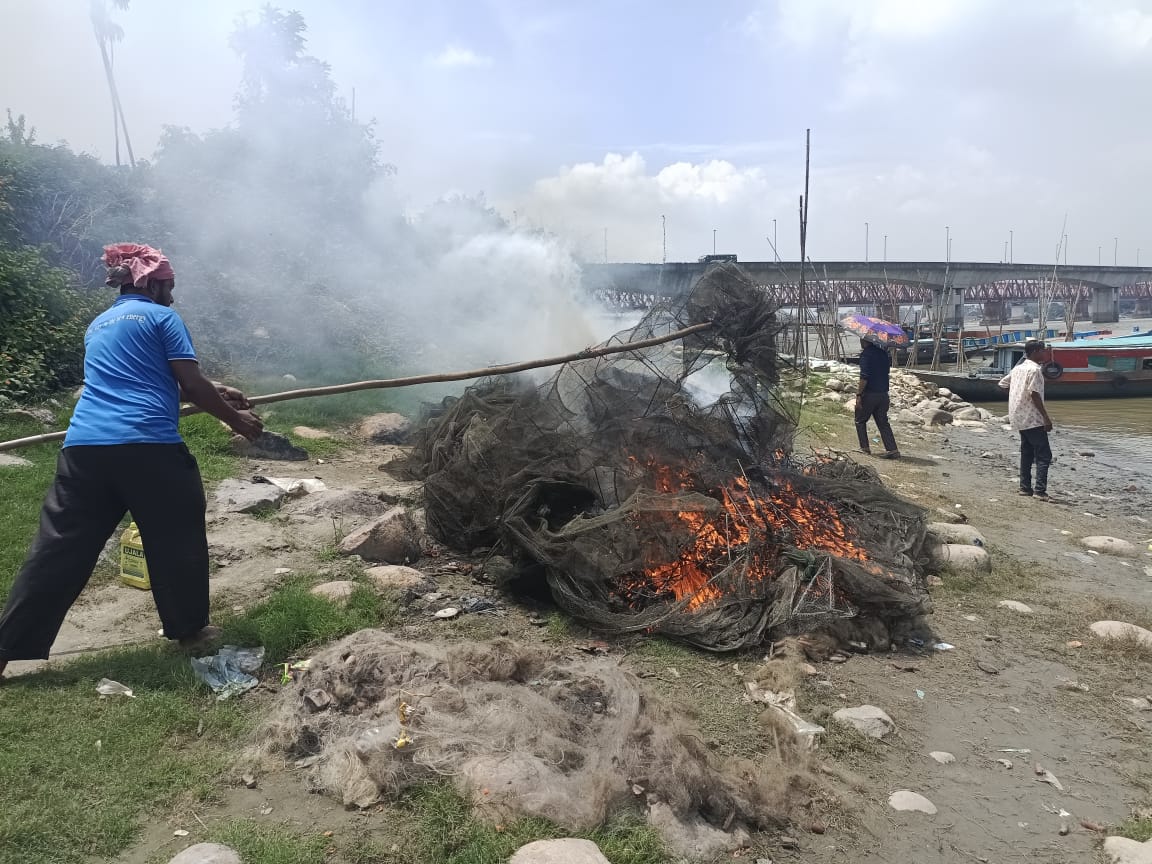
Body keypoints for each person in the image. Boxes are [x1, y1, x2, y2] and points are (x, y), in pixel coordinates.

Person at [0, 244, 264, 680]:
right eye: (170, 287)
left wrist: (218, 390)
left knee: (57, 551)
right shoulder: (164, 318)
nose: (173, 297)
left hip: (84, 450)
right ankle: (190, 632)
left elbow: (143, 377)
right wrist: (238, 420)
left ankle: (6, 648)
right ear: (154, 283)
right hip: (148, 447)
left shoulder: (99, 325)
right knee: (176, 535)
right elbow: (190, 385)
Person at [998, 339, 1054, 501]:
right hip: (1033, 417)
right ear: (1036, 351)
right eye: (1043, 350)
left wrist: (1017, 396)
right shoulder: (1035, 370)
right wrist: (1046, 418)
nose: (1046, 353)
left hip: (1018, 416)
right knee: (1044, 455)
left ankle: (1025, 488)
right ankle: (1040, 491)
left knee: (1027, 452)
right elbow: (1034, 394)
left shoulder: (1018, 369)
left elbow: (1002, 384)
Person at [854, 336, 900, 459]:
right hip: (883, 394)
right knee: (883, 422)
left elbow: (864, 377)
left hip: (870, 394)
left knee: (860, 420)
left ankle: (864, 448)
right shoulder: (883, 354)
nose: (860, 342)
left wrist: (858, 395)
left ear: (865, 341)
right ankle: (893, 449)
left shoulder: (866, 355)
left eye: (861, 340)